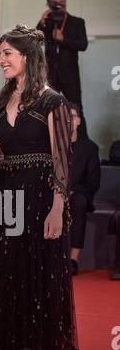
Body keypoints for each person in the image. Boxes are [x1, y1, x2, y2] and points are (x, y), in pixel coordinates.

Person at [0, 24, 79, 350]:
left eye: (7, 54)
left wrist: (56, 207)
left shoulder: (53, 102)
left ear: (29, 57)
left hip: (40, 200)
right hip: (7, 202)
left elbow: (62, 161)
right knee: (10, 278)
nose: (0, 60)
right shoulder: (0, 102)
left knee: (38, 279)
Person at [37, 0, 88, 137]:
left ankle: (82, 144)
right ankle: (48, 143)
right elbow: (35, 41)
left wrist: (63, 40)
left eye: (60, 2)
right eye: (54, 3)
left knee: (77, 110)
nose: (58, 5)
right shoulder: (47, 23)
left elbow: (83, 45)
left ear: (65, 2)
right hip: (51, 75)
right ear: (48, 4)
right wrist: (41, 22)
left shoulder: (77, 22)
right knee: (47, 109)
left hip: (70, 75)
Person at [68, 102, 101, 275]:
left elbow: (94, 182)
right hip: (55, 192)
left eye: (71, 116)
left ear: (79, 121)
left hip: (79, 195)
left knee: (78, 202)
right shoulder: (53, 145)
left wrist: (73, 191)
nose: (68, 120)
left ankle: (73, 259)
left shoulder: (89, 148)